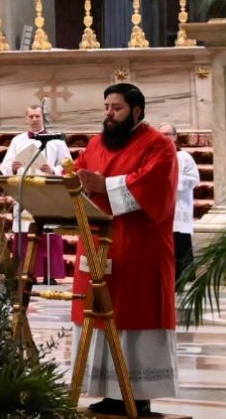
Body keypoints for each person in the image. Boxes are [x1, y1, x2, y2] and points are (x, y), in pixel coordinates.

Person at [72, 83, 179, 415]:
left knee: (132, 315)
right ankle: (106, 389)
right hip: (98, 247)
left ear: (136, 111)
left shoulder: (158, 146)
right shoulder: (95, 143)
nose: (108, 114)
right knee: (98, 316)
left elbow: (153, 189)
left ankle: (137, 393)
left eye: (115, 108)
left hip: (138, 249)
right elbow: (77, 174)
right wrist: (69, 179)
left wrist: (104, 185)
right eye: (106, 107)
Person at [0, 102, 72, 283]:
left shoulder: (56, 140)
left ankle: (49, 274)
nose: (34, 119)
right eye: (30, 116)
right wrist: (12, 167)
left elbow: (69, 165)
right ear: (26, 119)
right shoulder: (18, 141)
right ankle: (26, 272)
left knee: (48, 234)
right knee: (24, 233)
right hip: (24, 193)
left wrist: (52, 169)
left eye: (37, 116)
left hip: (48, 192)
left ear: (42, 117)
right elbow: (4, 166)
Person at [158, 123, 199, 283]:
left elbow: (194, 180)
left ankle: (181, 279)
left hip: (178, 207)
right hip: (160, 211)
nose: (164, 137)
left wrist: (172, 180)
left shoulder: (184, 157)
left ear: (175, 136)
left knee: (180, 246)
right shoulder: (153, 156)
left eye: (168, 134)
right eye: (161, 134)